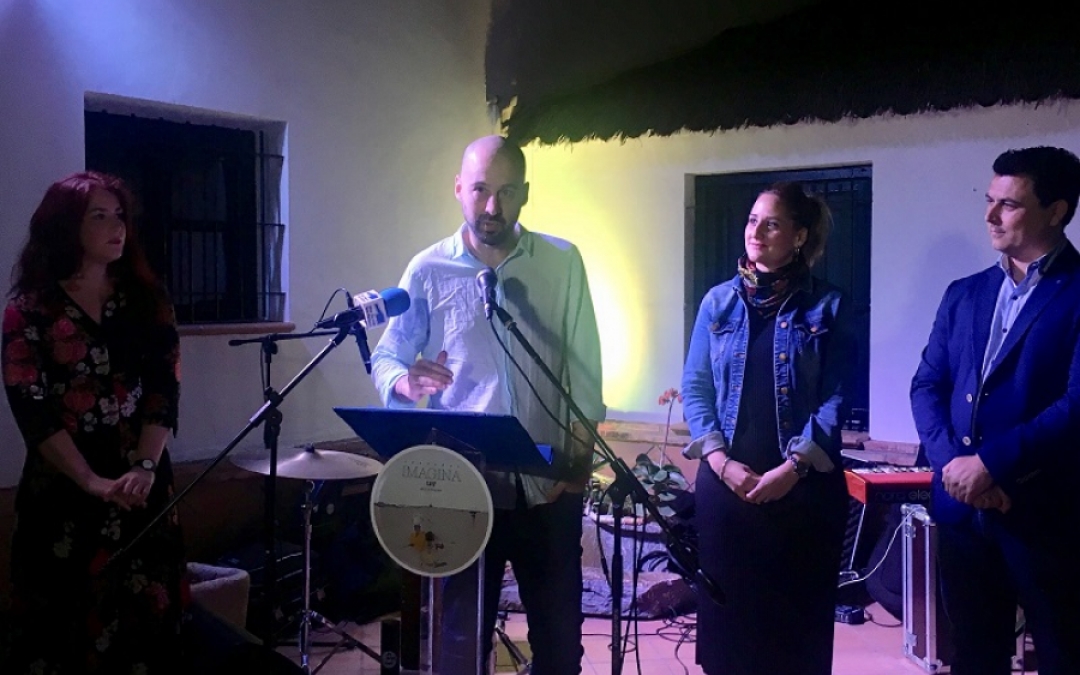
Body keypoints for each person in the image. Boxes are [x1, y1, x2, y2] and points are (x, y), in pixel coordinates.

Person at [370, 135, 604, 674]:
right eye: (480, 190)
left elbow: (585, 370)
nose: (492, 206)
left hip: (547, 482)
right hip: (460, 486)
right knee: (459, 644)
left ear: (526, 194)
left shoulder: (562, 262)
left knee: (559, 645)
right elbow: (387, 356)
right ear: (458, 189)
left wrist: (577, 467)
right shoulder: (427, 269)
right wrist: (405, 382)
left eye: (506, 192)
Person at [2, 172, 187, 673]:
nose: (116, 227)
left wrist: (145, 465)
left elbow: (164, 387)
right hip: (65, 488)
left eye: (119, 215)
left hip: (141, 482)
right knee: (63, 628)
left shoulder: (147, 300)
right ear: (66, 226)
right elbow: (31, 406)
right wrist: (91, 481)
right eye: (99, 216)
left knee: (145, 625)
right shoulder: (30, 310)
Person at [910, 146, 1080, 675]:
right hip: (963, 511)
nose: (990, 215)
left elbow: (1075, 405)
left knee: (1064, 654)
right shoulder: (966, 293)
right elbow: (926, 385)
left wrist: (990, 465)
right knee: (973, 657)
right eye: (989, 200)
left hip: (1046, 512)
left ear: (1056, 211)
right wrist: (955, 468)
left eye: (1009, 204)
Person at [680, 182, 854, 675]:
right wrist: (720, 463)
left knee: (793, 643)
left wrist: (793, 468)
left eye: (771, 223)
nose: (755, 232)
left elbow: (837, 397)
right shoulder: (717, 302)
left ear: (799, 236)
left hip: (803, 493)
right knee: (728, 639)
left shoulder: (829, 305)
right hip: (726, 491)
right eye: (752, 220)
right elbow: (695, 387)